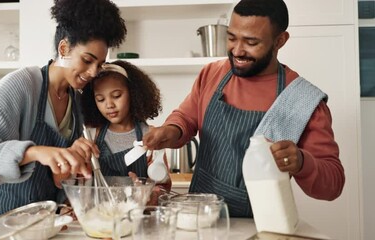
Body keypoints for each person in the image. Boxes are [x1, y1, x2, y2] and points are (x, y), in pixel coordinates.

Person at [142, 0, 345, 217]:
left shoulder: (304, 101)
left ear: (280, 41)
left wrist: (302, 162)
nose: (237, 50)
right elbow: (186, 118)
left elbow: (333, 185)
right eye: (231, 38)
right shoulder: (212, 74)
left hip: (260, 226)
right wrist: (171, 130)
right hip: (201, 220)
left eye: (251, 42)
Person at [0, 0, 127, 215]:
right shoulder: (21, 84)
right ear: (63, 48)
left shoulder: (76, 101)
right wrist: (35, 152)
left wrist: (69, 163)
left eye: (100, 64)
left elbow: (53, 177)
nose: (94, 72)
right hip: (0, 221)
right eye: (87, 60)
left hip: (42, 224)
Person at [79, 60, 172, 201]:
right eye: (100, 99)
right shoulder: (91, 137)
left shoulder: (151, 137)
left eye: (116, 96)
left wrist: (149, 195)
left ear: (133, 94)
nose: (109, 105)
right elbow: (81, 184)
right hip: (101, 216)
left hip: (139, 217)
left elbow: (163, 188)